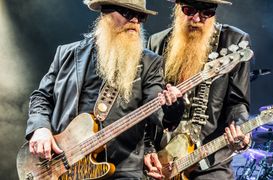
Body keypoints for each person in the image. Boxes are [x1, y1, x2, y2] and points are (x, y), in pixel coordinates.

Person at [25, 0, 184, 179]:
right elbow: (41, 97)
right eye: (127, 13)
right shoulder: (66, 54)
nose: (134, 21)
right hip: (60, 164)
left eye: (140, 16)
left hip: (122, 170)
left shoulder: (150, 63)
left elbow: (157, 111)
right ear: (105, 13)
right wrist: (40, 128)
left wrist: (173, 106)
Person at [144, 0, 252, 179]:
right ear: (178, 9)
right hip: (161, 160)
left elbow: (237, 102)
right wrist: (148, 148)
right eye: (189, 10)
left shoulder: (233, 41)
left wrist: (240, 130)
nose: (196, 18)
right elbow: (147, 107)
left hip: (207, 159)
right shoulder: (157, 43)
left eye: (206, 13)